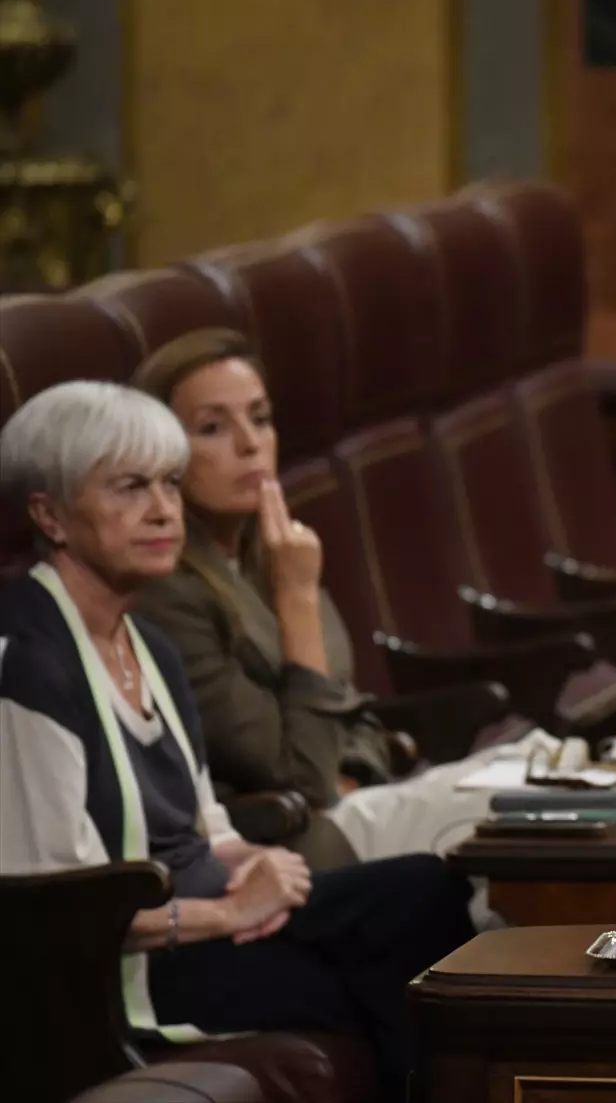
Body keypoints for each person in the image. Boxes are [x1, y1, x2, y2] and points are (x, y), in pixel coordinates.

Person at [0, 381, 473, 1102]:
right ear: (50, 515)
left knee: (424, 886)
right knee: (383, 990)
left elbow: (205, 830)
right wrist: (229, 911)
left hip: (205, 920)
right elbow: (58, 908)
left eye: (168, 483)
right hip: (126, 973)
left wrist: (265, 864)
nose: (163, 509)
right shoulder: (30, 662)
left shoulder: (148, 645)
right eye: (129, 488)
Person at [129, 329, 532, 867]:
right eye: (213, 428)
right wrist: (296, 597)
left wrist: (355, 770)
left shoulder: (273, 549)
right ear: (160, 453)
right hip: (290, 847)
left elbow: (352, 709)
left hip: (356, 801)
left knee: (541, 771)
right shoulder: (169, 594)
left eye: (261, 418)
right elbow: (300, 778)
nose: (250, 443)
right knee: (519, 809)